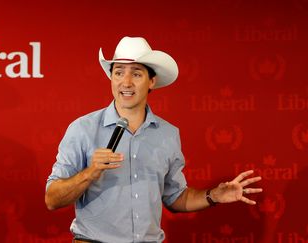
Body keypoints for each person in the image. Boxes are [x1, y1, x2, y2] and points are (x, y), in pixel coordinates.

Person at [45, 36, 263, 243]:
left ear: (152, 81)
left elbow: (175, 197)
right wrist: (90, 172)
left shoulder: (168, 134)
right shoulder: (82, 129)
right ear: (111, 78)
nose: (126, 82)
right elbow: (52, 199)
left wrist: (213, 195)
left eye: (137, 74)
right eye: (119, 73)